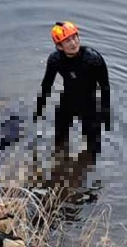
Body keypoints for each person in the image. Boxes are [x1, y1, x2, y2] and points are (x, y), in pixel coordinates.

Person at [33, 21, 111, 162]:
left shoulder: (93, 59)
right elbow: (46, 85)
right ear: (59, 46)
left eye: (75, 37)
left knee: (93, 148)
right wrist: (39, 108)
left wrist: (106, 114)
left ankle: (90, 177)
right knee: (59, 140)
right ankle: (59, 167)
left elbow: (105, 87)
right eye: (67, 41)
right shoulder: (55, 60)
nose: (73, 43)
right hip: (67, 102)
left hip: (90, 105)